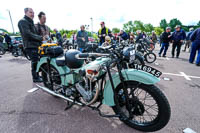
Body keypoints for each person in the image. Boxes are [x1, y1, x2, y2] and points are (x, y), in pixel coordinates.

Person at [18, 8, 45, 82]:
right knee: (34, 61)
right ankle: (35, 78)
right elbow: (27, 34)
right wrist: (40, 38)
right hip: (30, 46)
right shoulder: (22, 21)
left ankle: (37, 76)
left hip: (35, 45)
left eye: (33, 12)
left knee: (37, 61)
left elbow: (35, 34)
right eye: (30, 12)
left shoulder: (30, 22)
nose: (33, 14)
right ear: (25, 12)